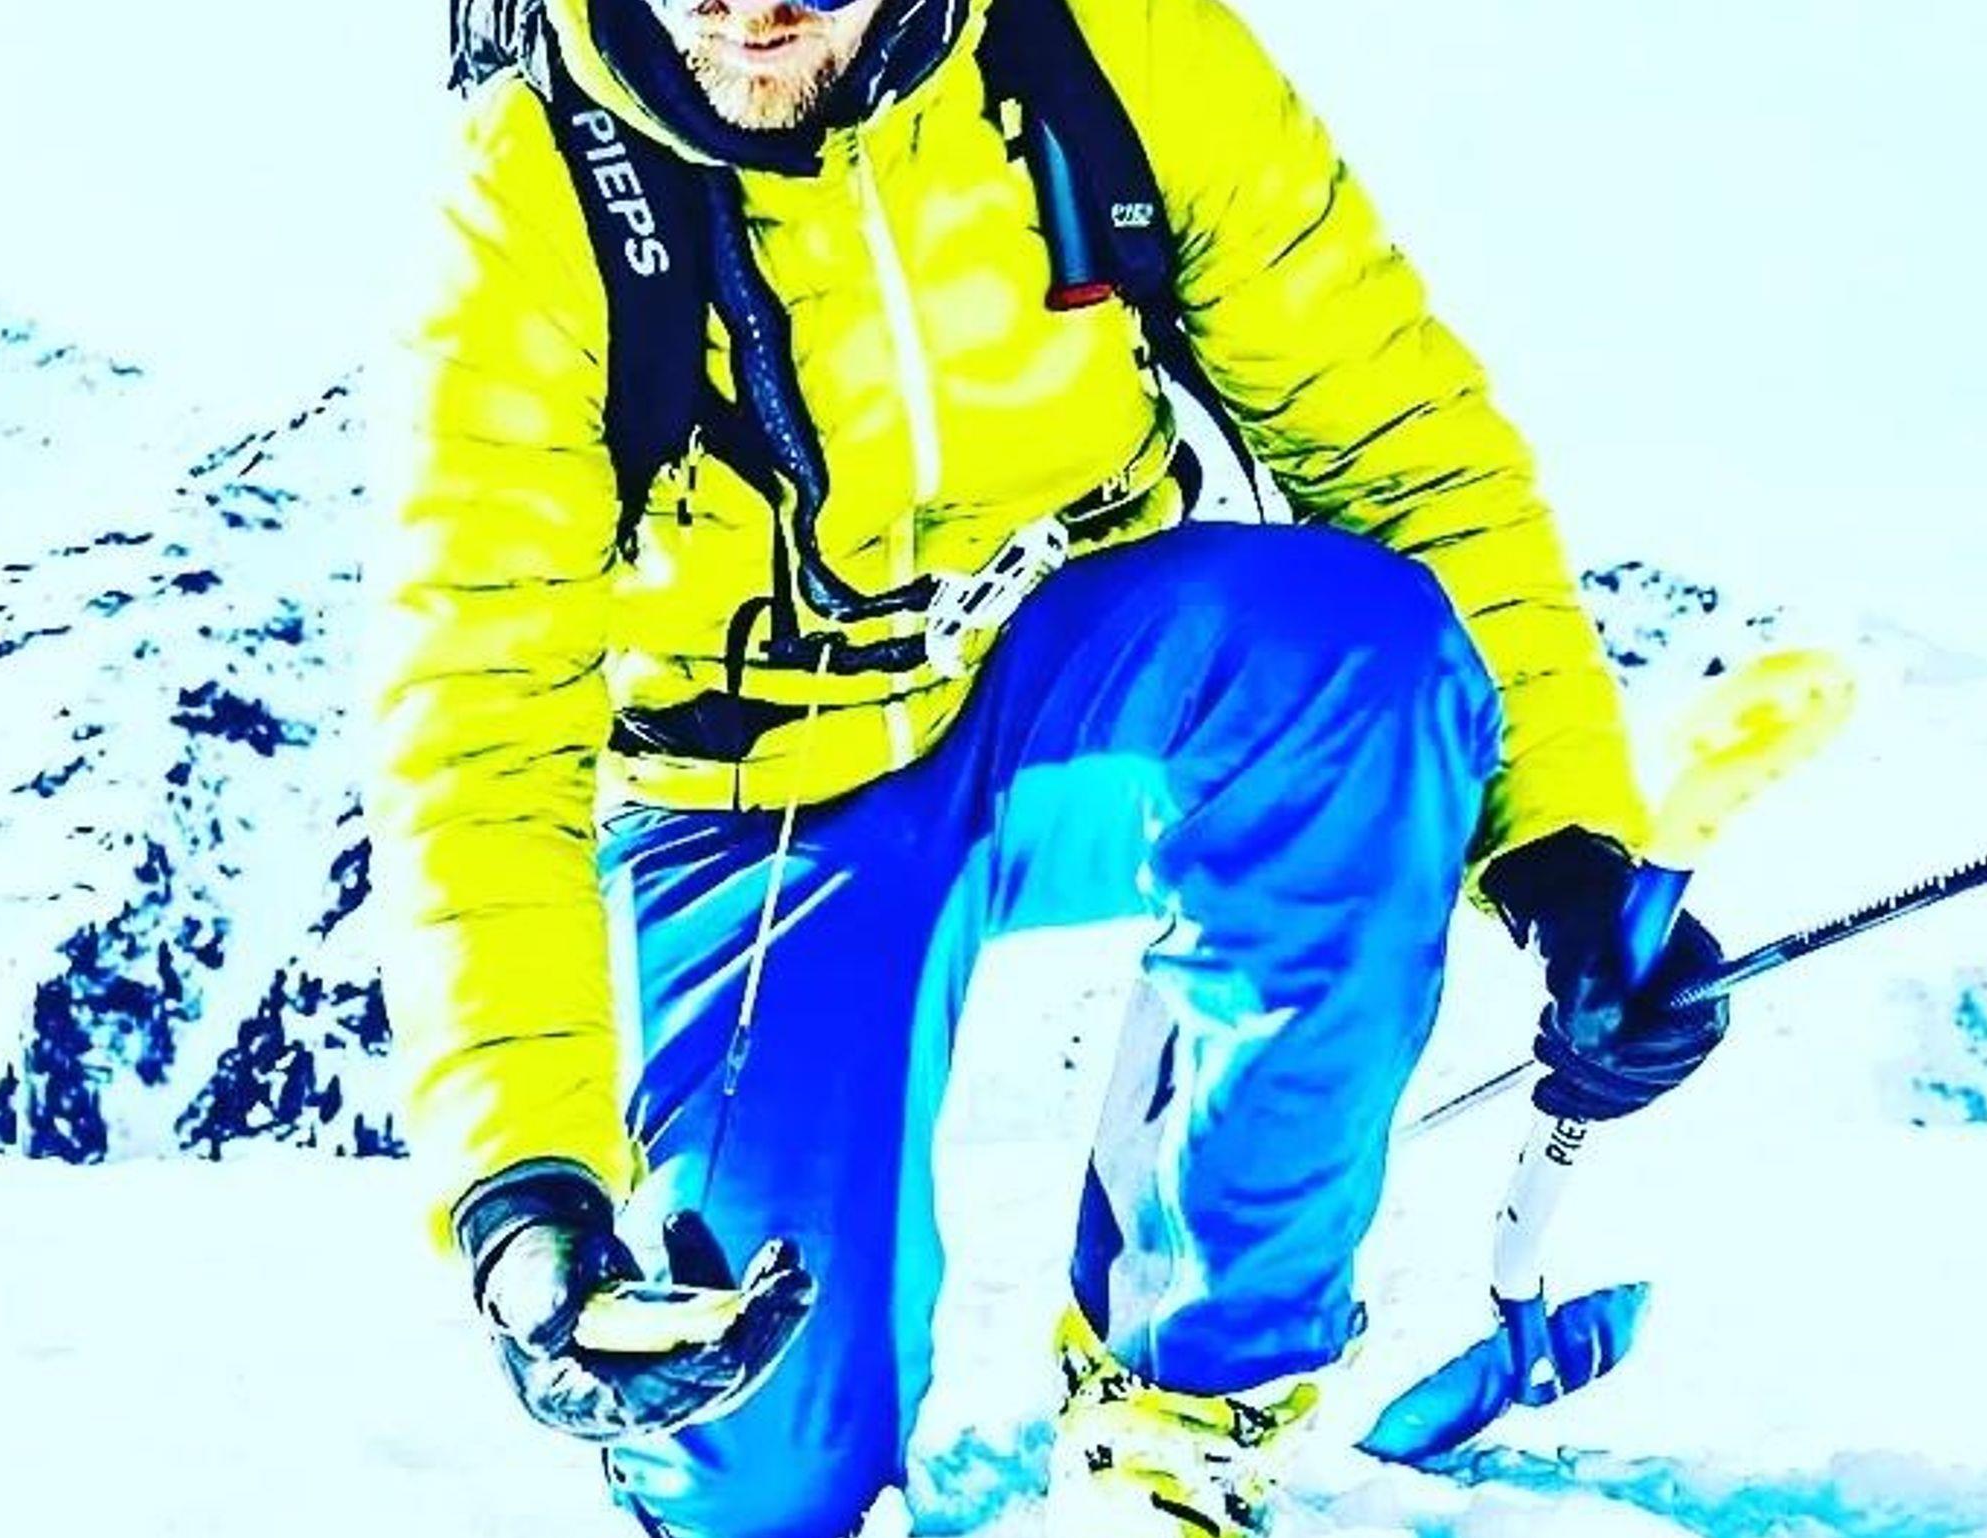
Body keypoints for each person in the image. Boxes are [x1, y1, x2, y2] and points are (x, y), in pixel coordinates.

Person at [365, 0, 1730, 1533]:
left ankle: (1189, 1401)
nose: (748, 13)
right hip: (743, 804)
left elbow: (1407, 449)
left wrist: (1564, 848)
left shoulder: (1118, 50)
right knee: (755, 1458)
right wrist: (525, 1197)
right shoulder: (531, 204)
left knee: (1354, 663)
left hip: (1071, 688)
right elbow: (478, 732)